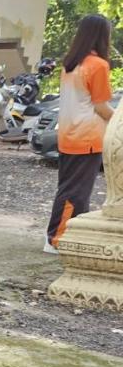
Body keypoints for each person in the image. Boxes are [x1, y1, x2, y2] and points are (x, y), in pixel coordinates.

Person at [46, 14, 115, 253]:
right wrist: (119, 121)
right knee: (76, 193)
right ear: (102, 35)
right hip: (87, 138)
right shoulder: (98, 66)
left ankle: (62, 237)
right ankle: (58, 239)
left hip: (68, 135)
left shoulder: (71, 64)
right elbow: (101, 107)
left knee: (69, 190)